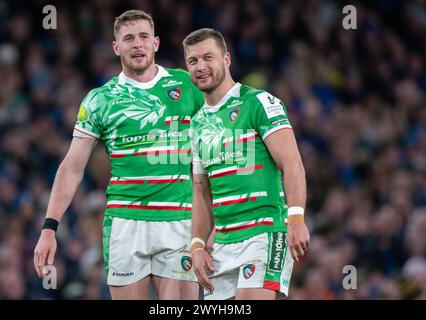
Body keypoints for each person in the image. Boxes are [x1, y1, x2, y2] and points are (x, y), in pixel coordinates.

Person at [33, 10, 204, 300]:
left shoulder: (188, 84)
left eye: (143, 37)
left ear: (156, 43)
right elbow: (73, 166)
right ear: (116, 47)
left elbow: (220, 141)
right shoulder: (100, 99)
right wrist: (49, 227)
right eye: (128, 39)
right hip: (126, 225)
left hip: (180, 221)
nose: (137, 44)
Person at [183, 28, 310, 300]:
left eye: (208, 57)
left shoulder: (259, 103)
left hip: (264, 233)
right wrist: (195, 246)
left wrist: (296, 217)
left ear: (226, 59)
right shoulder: (196, 124)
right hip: (222, 245)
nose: (201, 66)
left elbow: (293, 163)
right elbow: (201, 190)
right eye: (193, 61)